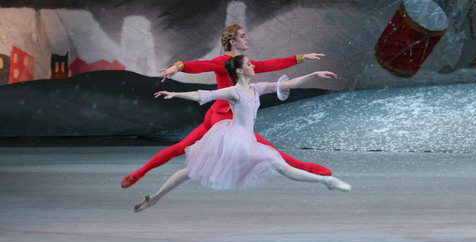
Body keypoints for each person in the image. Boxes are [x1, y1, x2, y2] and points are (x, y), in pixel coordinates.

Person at [120, 24, 332, 188]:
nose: (246, 38)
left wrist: (301, 57)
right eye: (242, 36)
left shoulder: (242, 63)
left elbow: (270, 64)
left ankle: (140, 172)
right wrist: (178, 67)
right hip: (224, 116)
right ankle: (309, 168)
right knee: (264, 147)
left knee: (178, 148)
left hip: (215, 114)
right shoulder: (226, 62)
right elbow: (201, 65)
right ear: (232, 41)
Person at [133, 55, 351, 212]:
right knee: (192, 170)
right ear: (238, 70)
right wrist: (174, 93)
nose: (253, 65)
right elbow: (204, 95)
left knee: (280, 166)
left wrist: (313, 74)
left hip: (246, 140)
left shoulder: (256, 88)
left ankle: (327, 181)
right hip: (230, 139)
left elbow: (289, 83)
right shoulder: (233, 91)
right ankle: (155, 197)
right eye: (248, 64)